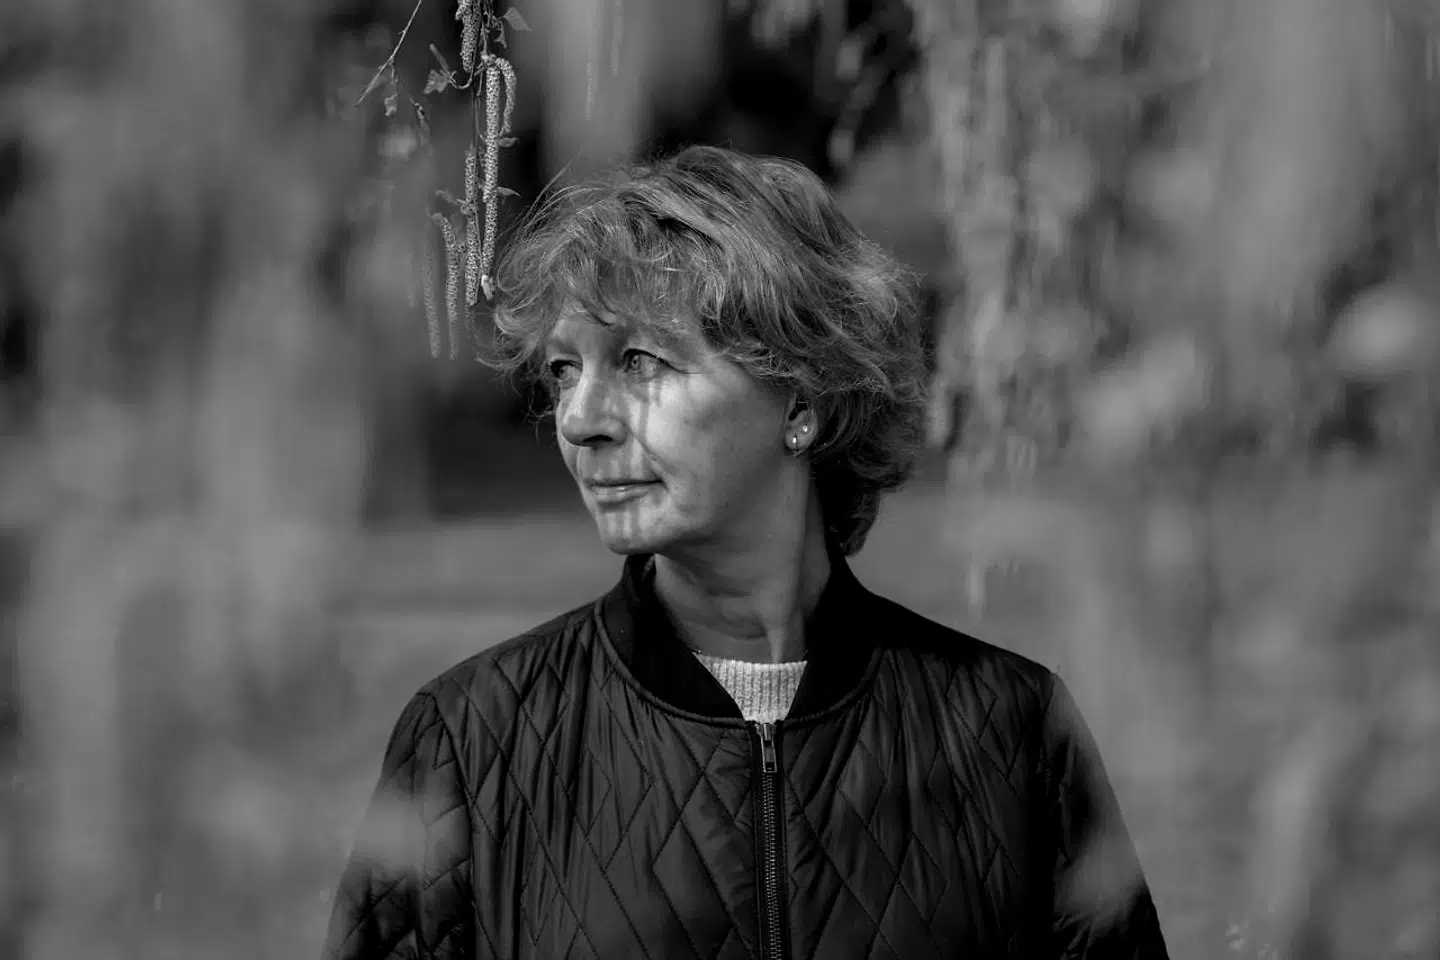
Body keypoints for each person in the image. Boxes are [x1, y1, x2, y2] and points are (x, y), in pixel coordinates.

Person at [323, 146, 1169, 959]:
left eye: (639, 360)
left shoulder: (1011, 733)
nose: (579, 420)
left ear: (801, 397)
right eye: (563, 370)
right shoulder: (472, 743)